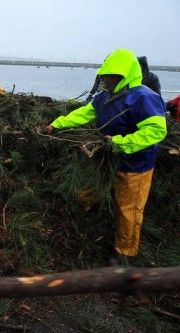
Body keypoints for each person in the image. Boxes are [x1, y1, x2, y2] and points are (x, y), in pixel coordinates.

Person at [44, 48, 167, 261]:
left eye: (109, 76)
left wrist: (120, 143)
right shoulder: (104, 97)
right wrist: (57, 124)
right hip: (109, 159)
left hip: (135, 164)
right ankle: (87, 212)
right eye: (104, 75)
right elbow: (84, 113)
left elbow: (156, 131)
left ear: (123, 75)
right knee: (90, 187)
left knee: (129, 208)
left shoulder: (143, 98)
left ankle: (124, 253)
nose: (105, 80)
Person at [85, 56, 162, 101]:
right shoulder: (102, 73)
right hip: (103, 98)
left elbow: (157, 95)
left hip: (143, 103)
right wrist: (91, 94)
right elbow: (97, 85)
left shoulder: (152, 78)